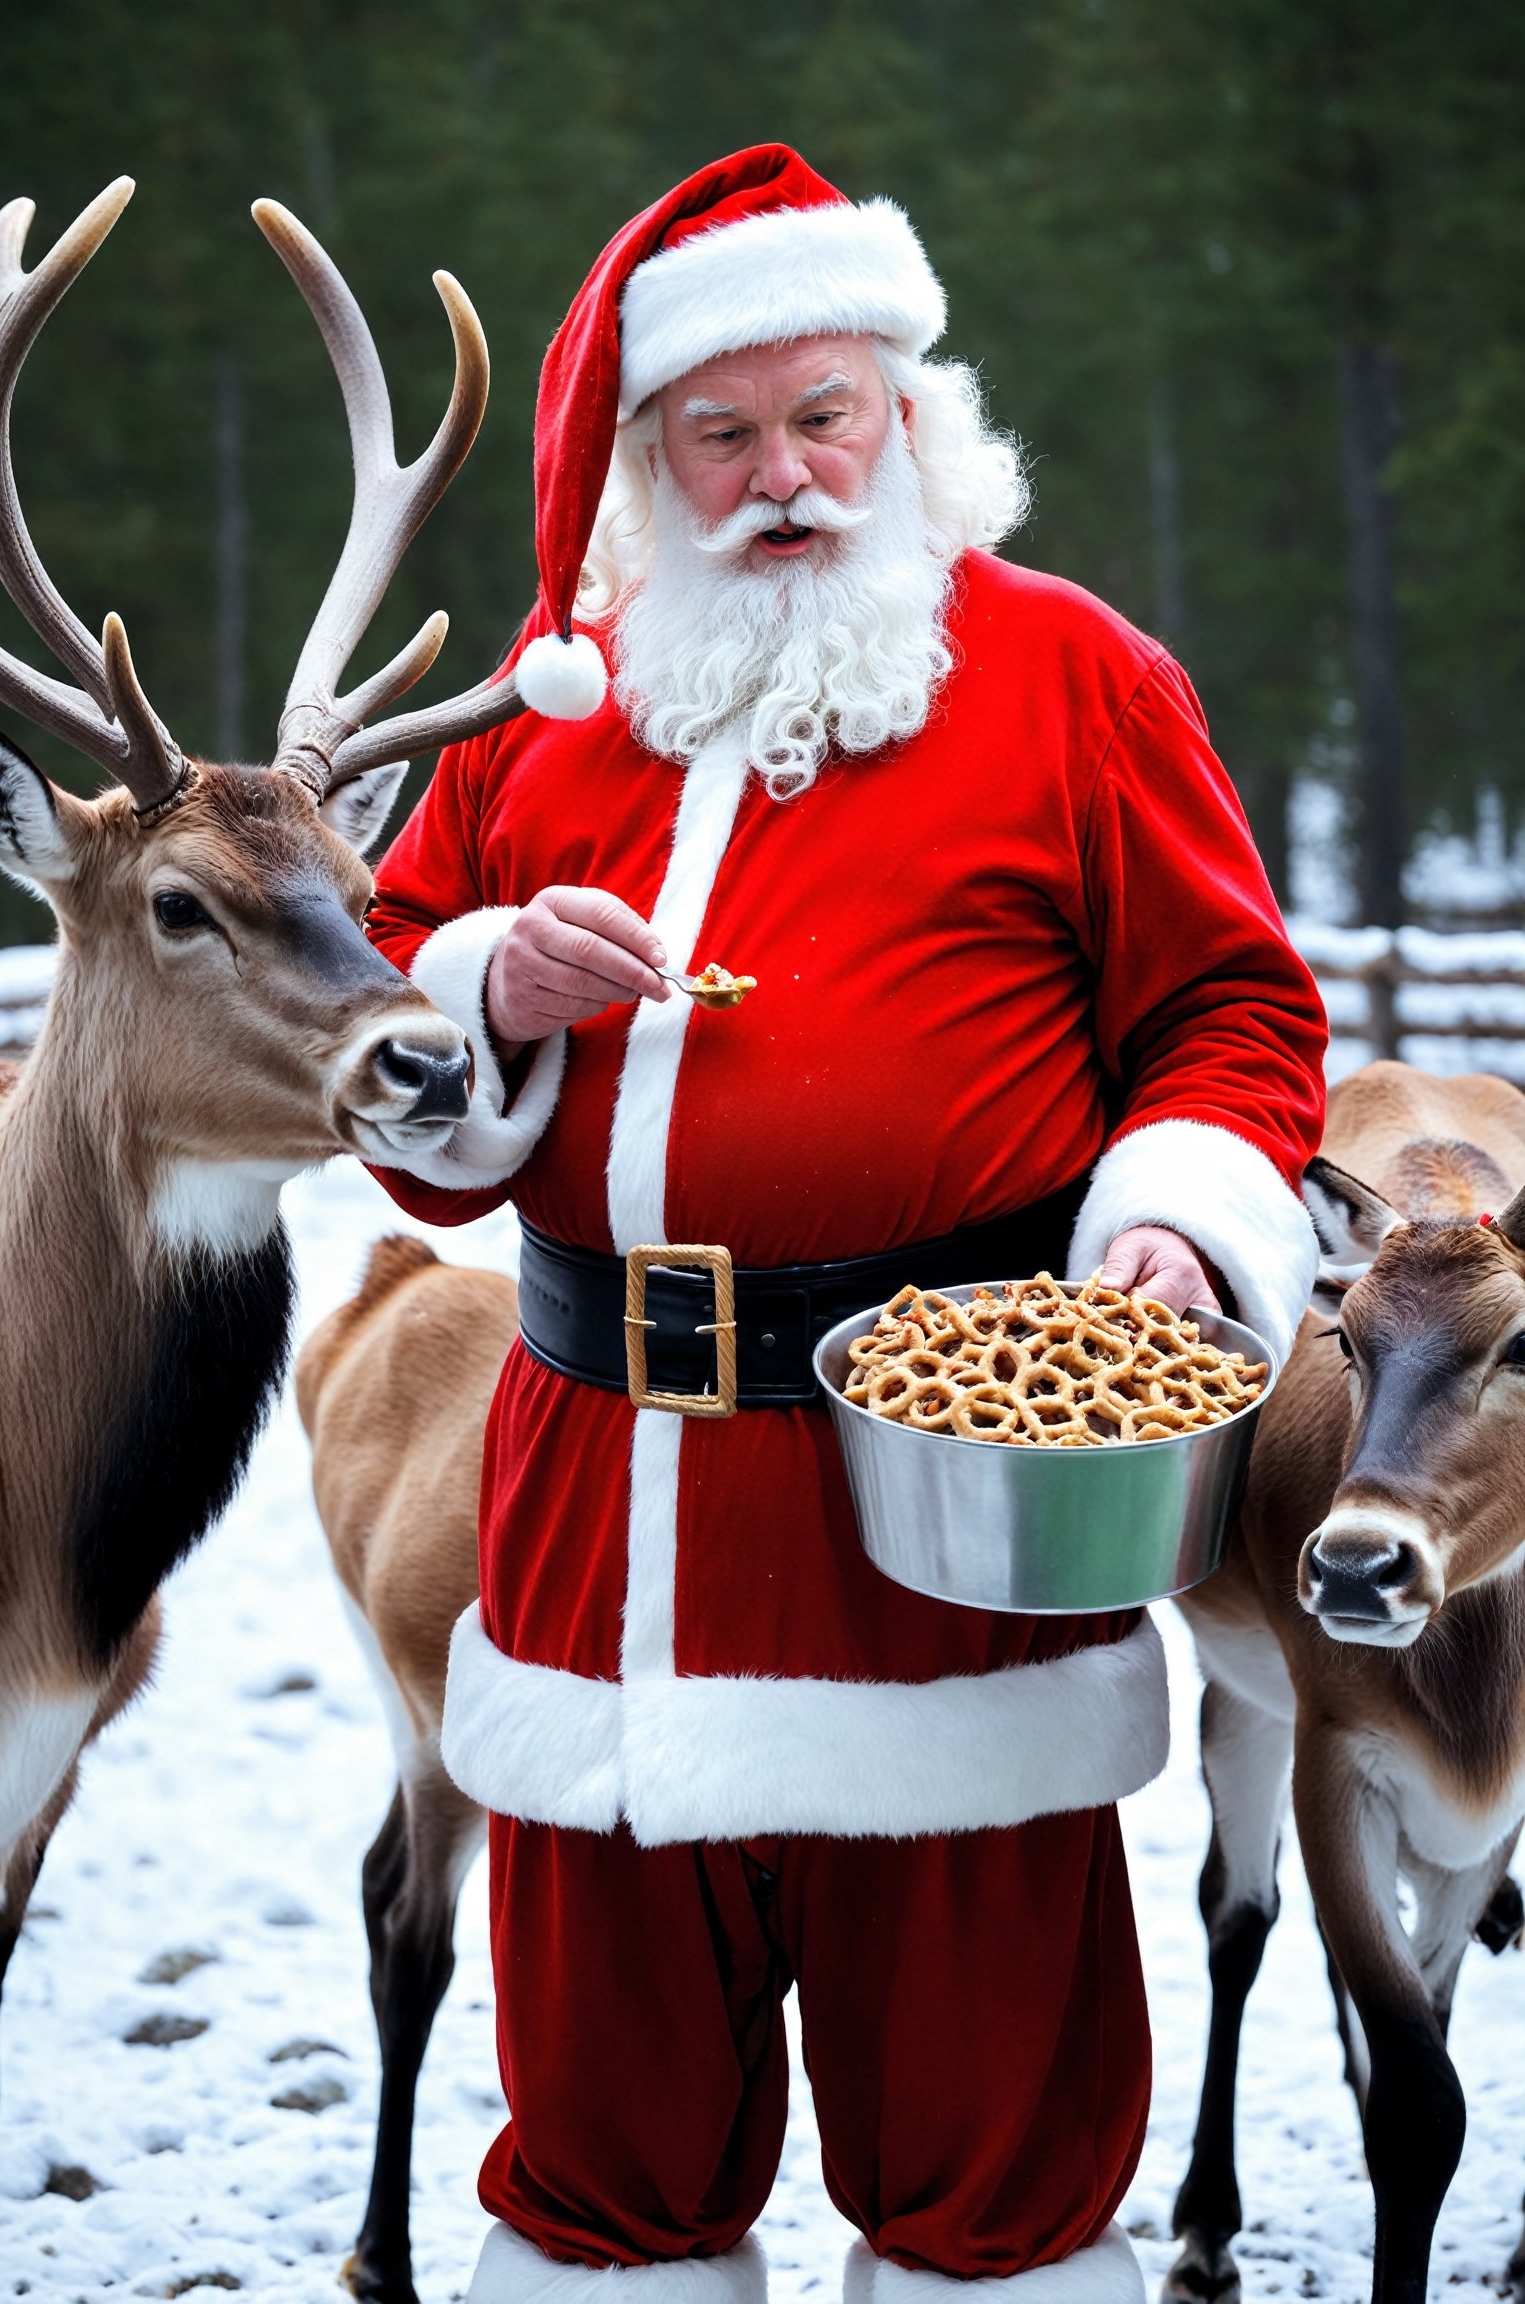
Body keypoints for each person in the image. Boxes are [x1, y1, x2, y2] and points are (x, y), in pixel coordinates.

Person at [368, 145, 1327, 2304]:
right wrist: (483, 988)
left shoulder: (1076, 679)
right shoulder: (556, 708)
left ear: (911, 412)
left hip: (952, 1536)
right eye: (725, 432)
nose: (786, 476)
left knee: (992, 2162)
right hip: (599, 1523)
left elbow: (1233, 1014)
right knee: (603, 2164)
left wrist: (1173, 1228)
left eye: (831, 417)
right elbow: (386, 1036)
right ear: (646, 458)